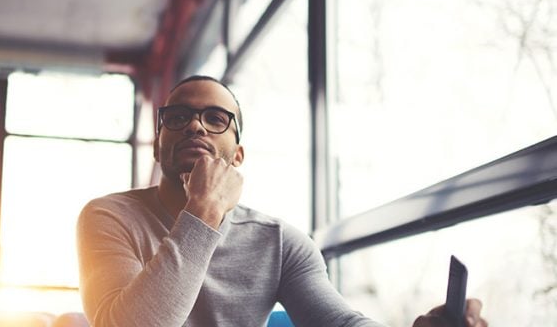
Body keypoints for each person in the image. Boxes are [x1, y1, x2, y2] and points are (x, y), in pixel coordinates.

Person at [76, 75, 488, 327]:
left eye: (216, 119)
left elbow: (338, 322)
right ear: (158, 145)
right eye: (177, 117)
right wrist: (202, 211)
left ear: (237, 156)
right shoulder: (108, 216)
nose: (196, 125)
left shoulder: (280, 242)